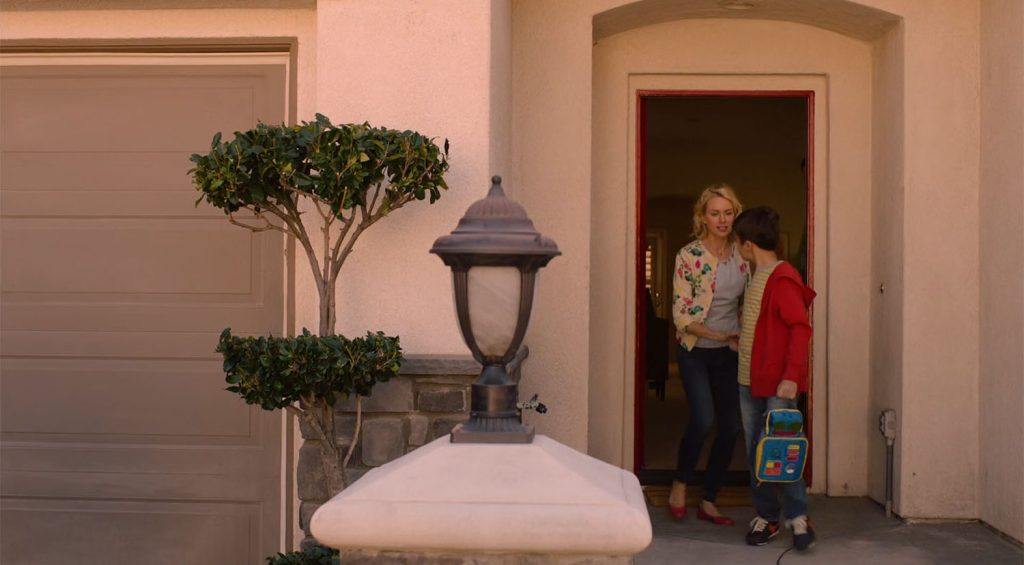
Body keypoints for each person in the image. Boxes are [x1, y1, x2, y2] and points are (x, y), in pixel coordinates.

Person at [732, 206, 817, 551]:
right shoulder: (756, 277)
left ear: (748, 244)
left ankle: (797, 517)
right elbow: (763, 326)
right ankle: (767, 517)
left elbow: (799, 328)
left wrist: (792, 377)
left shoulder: (782, 278)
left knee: (782, 450)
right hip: (749, 379)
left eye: (739, 243)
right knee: (758, 453)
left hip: (777, 383)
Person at [668, 184, 749, 525]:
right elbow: (682, 315)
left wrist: (743, 333)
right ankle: (680, 482)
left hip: (729, 351)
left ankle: (710, 499)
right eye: (715, 213)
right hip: (696, 350)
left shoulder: (744, 255)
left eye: (728, 212)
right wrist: (719, 334)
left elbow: (750, 301)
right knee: (703, 418)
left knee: (731, 426)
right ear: (703, 217)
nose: (722, 219)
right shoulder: (689, 256)